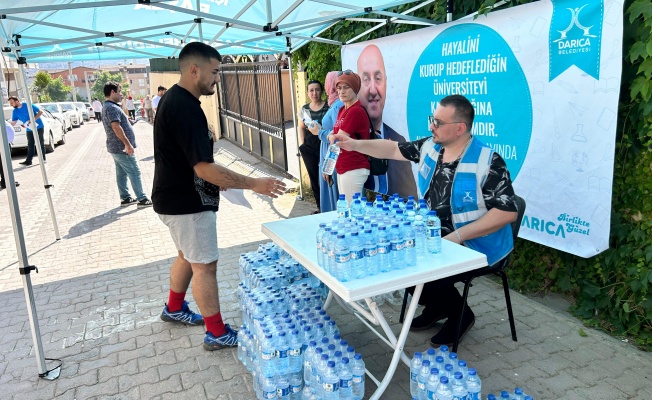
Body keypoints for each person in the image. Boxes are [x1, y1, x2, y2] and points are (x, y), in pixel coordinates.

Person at [331, 94, 518, 346]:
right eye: (432, 119)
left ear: (460, 128)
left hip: (478, 244)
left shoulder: (488, 161)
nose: (432, 126)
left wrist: (457, 236)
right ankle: (439, 307)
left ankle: (461, 315)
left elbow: (507, 212)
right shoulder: (432, 146)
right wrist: (354, 144)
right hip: (437, 234)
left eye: (438, 122)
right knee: (398, 256)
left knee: (424, 270)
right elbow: (392, 149)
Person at [152, 42, 286, 351]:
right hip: (186, 205)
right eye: (214, 72)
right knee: (205, 266)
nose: (217, 79)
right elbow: (205, 170)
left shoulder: (174, 100)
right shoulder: (185, 108)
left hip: (172, 199)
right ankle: (216, 332)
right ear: (194, 69)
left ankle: (173, 308)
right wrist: (254, 184)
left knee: (188, 255)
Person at [357, 44, 418, 198]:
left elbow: (412, 198)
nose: (372, 90)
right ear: (357, 87)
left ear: (385, 82)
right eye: (365, 80)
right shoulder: (351, 139)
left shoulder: (399, 141)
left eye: (378, 79)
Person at [101, 81, 153, 208]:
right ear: (112, 92)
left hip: (115, 148)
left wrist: (127, 122)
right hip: (121, 148)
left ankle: (125, 198)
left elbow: (117, 124)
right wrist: (127, 145)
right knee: (134, 172)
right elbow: (116, 127)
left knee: (121, 174)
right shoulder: (112, 108)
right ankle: (142, 199)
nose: (121, 94)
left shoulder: (108, 106)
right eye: (119, 91)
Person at [324, 70, 371, 203]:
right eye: (339, 88)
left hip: (354, 166)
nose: (341, 91)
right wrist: (328, 166)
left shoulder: (355, 111)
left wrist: (329, 136)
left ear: (355, 89)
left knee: (351, 212)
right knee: (347, 209)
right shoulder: (342, 109)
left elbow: (337, 139)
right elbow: (335, 140)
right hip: (343, 166)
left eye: (346, 87)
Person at [307, 71, 342, 213]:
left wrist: (319, 132)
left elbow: (337, 136)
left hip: (332, 154)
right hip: (328, 152)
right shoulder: (334, 103)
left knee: (334, 192)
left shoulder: (338, 105)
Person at [298, 79, 329, 212]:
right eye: (311, 90)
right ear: (307, 93)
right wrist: (302, 143)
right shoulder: (304, 109)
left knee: (326, 175)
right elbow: (301, 127)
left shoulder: (328, 107)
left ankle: (329, 205)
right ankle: (319, 207)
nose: (314, 93)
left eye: (317, 89)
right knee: (314, 177)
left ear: (321, 91)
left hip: (323, 147)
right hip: (309, 148)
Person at [8, 96, 45, 166]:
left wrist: (33, 119)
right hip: (29, 129)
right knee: (30, 144)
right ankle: (28, 161)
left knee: (40, 143)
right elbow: (13, 122)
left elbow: (40, 112)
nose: (11, 105)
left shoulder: (27, 105)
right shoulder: (15, 111)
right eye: (10, 103)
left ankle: (43, 159)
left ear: (17, 101)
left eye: (12, 103)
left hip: (38, 126)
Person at [1, 120, 20, 189]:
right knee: (5, 163)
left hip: (5, 143)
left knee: (4, 163)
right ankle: (7, 182)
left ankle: (6, 181)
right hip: (2, 143)